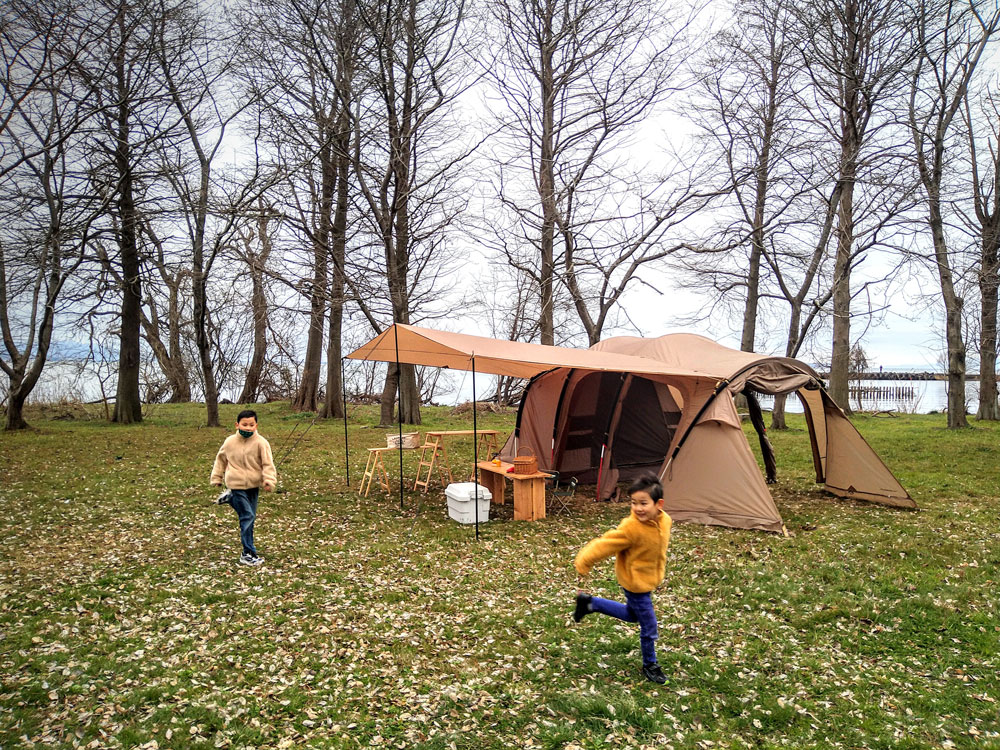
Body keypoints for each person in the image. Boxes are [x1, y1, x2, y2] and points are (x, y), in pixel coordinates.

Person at [572, 473, 672, 684]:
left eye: (643, 503)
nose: (638, 508)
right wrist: (585, 560)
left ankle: (590, 603)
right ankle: (650, 664)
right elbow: (605, 543)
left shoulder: (665, 521)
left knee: (632, 615)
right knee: (649, 625)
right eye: (634, 503)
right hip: (635, 584)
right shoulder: (631, 528)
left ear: (659, 504)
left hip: (647, 580)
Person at [211, 409, 277, 566]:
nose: (248, 428)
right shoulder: (229, 442)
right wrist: (217, 477)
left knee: (251, 518)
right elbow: (220, 460)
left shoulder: (261, 443)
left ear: (256, 425)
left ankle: (230, 498)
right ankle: (247, 553)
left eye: (251, 425)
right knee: (247, 516)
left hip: (254, 485)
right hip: (236, 483)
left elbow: (268, 464)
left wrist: (269, 480)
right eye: (244, 424)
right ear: (237, 425)